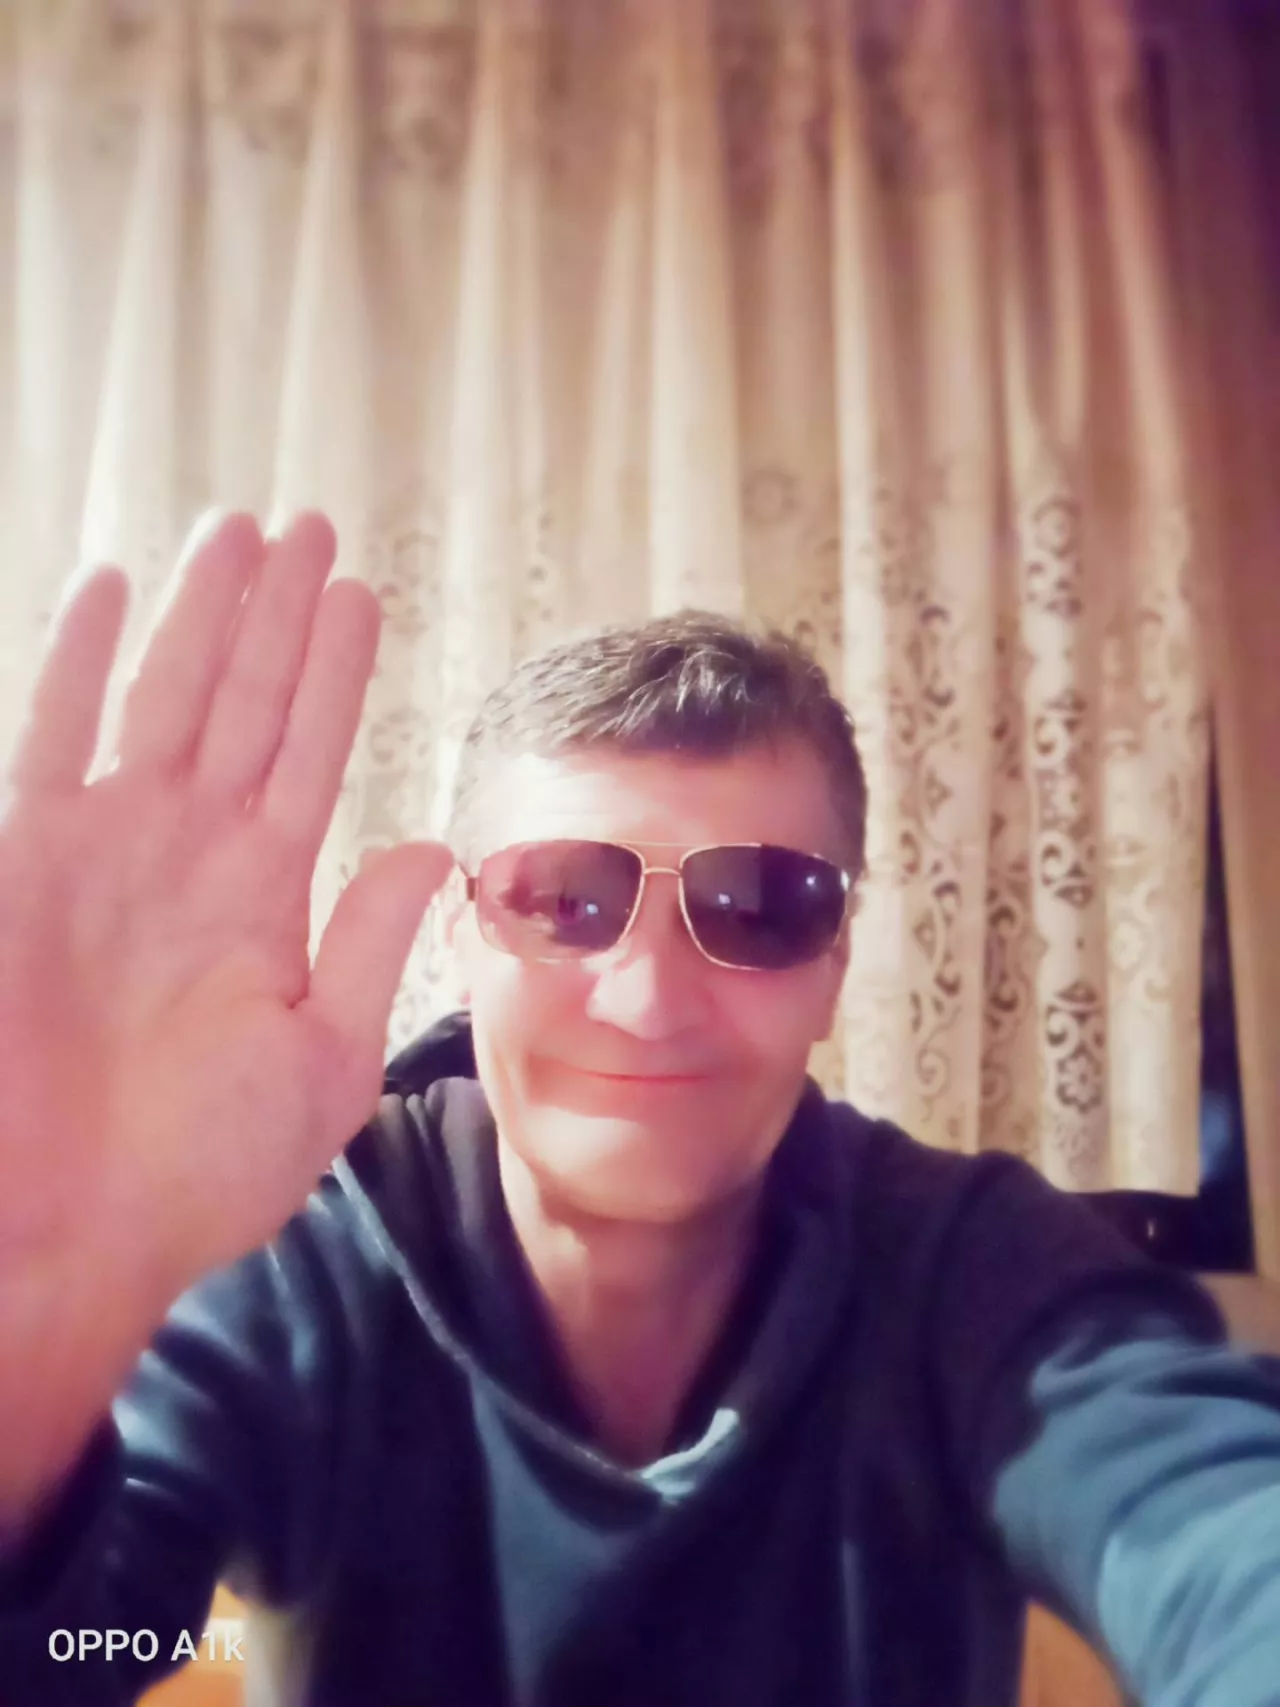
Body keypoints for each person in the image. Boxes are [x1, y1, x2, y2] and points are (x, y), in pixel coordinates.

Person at [0, 510, 1277, 1707]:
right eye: (566, 900)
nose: (650, 1001)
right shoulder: (298, 1257)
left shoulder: (965, 1269)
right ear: (459, 937)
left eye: (757, 907)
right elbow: (75, 1649)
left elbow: (1219, 1543)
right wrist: (44, 1300)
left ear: (835, 962)